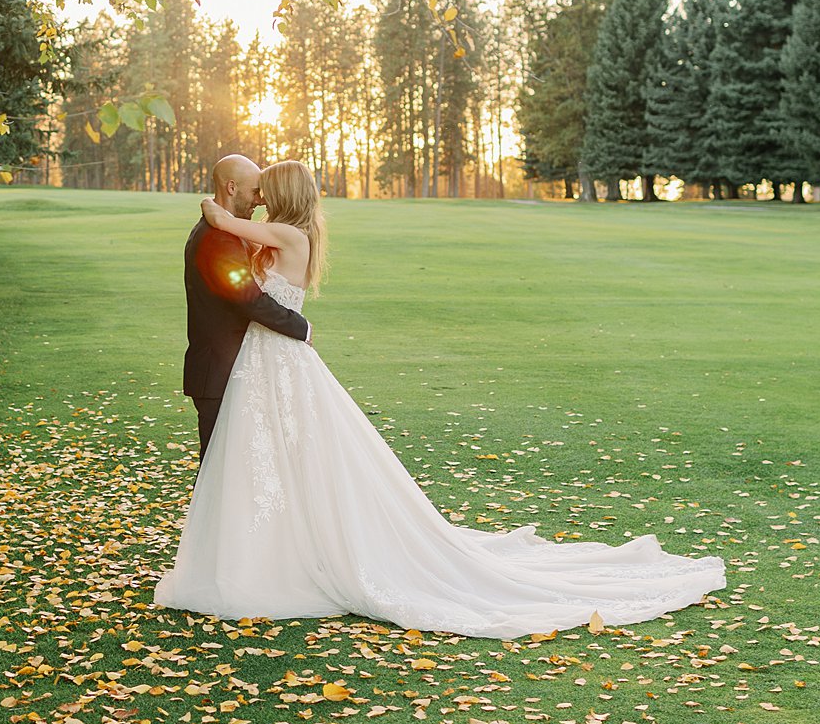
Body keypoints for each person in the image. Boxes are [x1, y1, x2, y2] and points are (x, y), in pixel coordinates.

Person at [156, 159, 726, 639]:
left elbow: (224, 221)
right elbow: (236, 261)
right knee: (272, 456)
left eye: (265, 190)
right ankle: (262, 548)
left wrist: (222, 207)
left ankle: (281, 553)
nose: (258, 197)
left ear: (279, 197)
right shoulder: (273, 235)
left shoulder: (281, 234)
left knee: (294, 453)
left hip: (276, 359)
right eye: (252, 188)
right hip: (260, 361)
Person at [183, 154, 312, 457]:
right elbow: (247, 298)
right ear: (231, 187)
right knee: (220, 465)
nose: (260, 200)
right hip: (220, 371)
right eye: (255, 191)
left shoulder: (232, 232)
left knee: (241, 464)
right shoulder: (218, 239)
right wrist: (301, 327)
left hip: (245, 367)